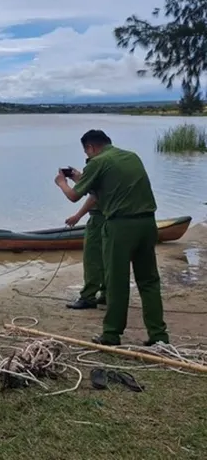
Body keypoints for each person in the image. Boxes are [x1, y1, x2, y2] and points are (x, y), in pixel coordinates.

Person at [55, 129, 169, 346]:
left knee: (117, 282)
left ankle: (111, 334)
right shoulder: (131, 156)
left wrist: (61, 181)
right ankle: (159, 336)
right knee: (149, 281)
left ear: (90, 148)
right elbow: (104, 190)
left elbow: (73, 196)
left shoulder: (97, 162)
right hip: (147, 224)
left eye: (87, 152)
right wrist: (82, 178)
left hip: (120, 226)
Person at [64, 157, 107, 310]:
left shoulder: (99, 165)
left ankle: (88, 297)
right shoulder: (110, 169)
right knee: (107, 257)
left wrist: (61, 183)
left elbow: (93, 196)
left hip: (99, 219)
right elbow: (96, 191)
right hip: (111, 218)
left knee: (92, 258)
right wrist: (80, 180)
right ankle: (106, 294)